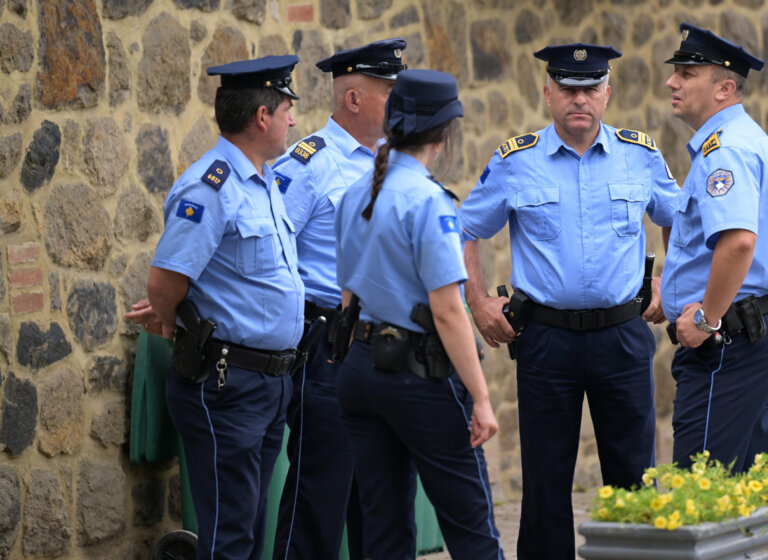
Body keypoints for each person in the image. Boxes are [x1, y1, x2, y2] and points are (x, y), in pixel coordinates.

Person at [458, 44, 677, 560]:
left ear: (607, 93)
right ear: (548, 93)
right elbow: (465, 228)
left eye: (590, 88)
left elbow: (677, 216)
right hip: (546, 340)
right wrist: (477, 301)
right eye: (568, 89)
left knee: (634, 478)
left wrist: (672, 280)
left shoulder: (639, 154)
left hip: (622, 336)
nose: (580, 99)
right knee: (545, 480)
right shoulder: (515, 161)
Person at [334, 69, 504, 560]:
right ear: (445, 132)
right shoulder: (429, 201)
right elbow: (449, 312)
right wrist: (481, 398)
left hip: (361, 368)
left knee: (383, 527)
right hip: (419, 376)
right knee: (471, 526)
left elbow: (347, 294)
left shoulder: (357, 191)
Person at [139, 55, 304, 560]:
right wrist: (177, 323)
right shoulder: (211, 187)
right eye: (287, 109)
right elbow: (165, 281)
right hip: (225, 384)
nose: (293, 120)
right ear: (262, 116)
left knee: (250, 527)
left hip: (269, 384)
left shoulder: (265, 180)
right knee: (229, 536)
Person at [269, 38, 407, 560]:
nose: (401, 102)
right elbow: (272, 250)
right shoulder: (310, 164)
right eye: (389, 91)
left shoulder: (395, 162)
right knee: (319, 495)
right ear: (353, 100)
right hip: (329, 342)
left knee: (379, 498)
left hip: (387, 343)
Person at [660, 23, 768, 473]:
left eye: (686, 73)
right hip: (751, 329)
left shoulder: (726, 150)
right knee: (745, 491)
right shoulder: (743, 139)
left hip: (728, 340)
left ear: (724, 88)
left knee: (699, 488)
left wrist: (704, 317)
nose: (672, 82)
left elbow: (739, 242)